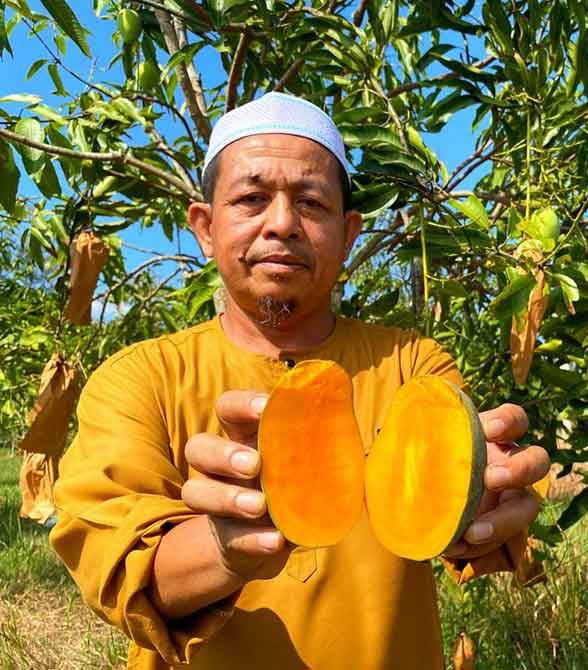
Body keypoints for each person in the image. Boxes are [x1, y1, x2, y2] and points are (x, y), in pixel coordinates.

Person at [50, 92, 550, 670]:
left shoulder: (414, 363)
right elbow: (115, 565)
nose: (282, 224)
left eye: (311, 203)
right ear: (205, 228)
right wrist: (225, 549)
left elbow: (453, 501)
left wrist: (487, 505)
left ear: (349, 233)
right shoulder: (139, 378)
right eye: (251, 198)